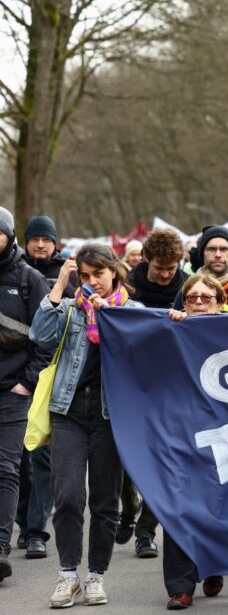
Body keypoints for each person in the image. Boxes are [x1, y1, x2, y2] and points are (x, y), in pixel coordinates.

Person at [30, 244, 142, 607]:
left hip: (111, 415)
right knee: (67, 496)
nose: (93, 281)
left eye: (99, 274)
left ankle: (96, 576)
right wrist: (60, 284)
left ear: (115, 271)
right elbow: (39, 336)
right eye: (86, 275)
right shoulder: (69, 307)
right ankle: (68, 575)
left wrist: (109, 316)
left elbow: (142, 354)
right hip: (69, 411)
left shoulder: (131, 312)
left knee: (105, 501)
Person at [162, 273, 228, 610]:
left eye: (206, 297)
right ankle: (180, 586)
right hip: (180, 431)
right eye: (192, 298)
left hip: (227, 431)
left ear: (221, 302)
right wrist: (167, 324)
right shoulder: (171, 330)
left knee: (221, 500)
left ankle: (214, 563)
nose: (199, 303)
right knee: (178, 504)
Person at [118, 228, 188, 559]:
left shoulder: (187, 287)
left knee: (161, 463)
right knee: (124, 459)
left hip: (172, 386)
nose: (165, 275)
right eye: (159, 268)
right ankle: (128, 506)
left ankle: (145, 532)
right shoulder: (127, 286)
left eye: (171, 268)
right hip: (131, 383)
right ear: (146, 259)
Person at [16, 214, 71, 561]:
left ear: (55, 243)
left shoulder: (67, 276)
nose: (40, 244)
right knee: (17, 460)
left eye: (46, 239)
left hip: (49, 379)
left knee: (40, 456)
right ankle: (22, 522)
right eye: (35, 239)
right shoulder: (14, 272)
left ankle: (36, 531)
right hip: (13, 381)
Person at [0, 207, 49, 582]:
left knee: (6, 468)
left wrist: (27, 383)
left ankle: (0, 545)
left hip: (13, 391)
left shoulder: (29, 279)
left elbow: (46, 339)